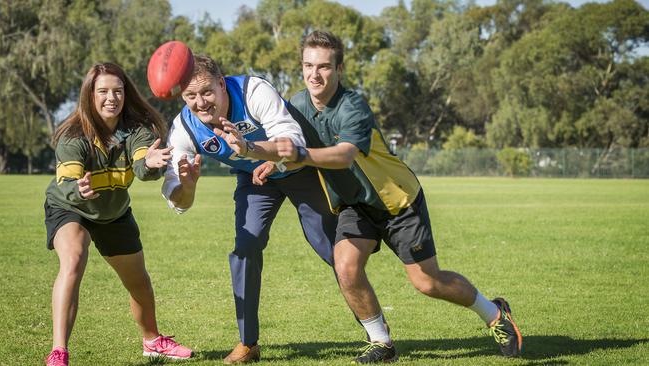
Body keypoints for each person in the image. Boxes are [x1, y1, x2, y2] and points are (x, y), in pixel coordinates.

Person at [271, 30, 523, 363]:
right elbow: (282, 142)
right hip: (355, 205)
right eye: (308, 65)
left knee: (427, 282)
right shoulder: (297, 105)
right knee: (345, 267)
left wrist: (298, 155)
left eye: (324, 67)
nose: (314, 75)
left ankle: (494, 314)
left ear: (339, 69)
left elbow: (344, 155)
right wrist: (269, 162)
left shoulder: (353, 105)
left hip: (398, 202)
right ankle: (381, 342)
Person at [161, 55, 337, 364]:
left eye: (207, 92)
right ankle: (248, 343)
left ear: (222, 83)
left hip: (298, 168)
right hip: (254, 180)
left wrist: (266, 156)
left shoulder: (252, 90)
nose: (200, 102)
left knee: (330, 247)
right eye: (190, 96)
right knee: (246, 246)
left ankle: (374, 330)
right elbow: (178, 201)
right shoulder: (183, 129)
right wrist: (187, 187)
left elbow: (293, 139)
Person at [43, 63, 192, 366]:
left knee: (137, 280)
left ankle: (152, 341)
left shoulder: (136, 130)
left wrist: (150, 163)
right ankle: (59, 352)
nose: (111, 97)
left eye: (118, 91)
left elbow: (141, 165)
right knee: (73, 259)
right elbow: (68, 183)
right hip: (70, 207)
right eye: (103, 91)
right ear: (90, 95)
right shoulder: (74, 135)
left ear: (126, 93)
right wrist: (78, 190)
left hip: (113, 212)